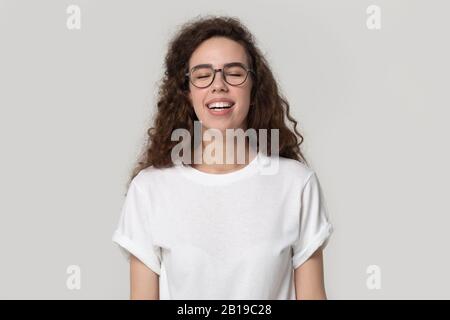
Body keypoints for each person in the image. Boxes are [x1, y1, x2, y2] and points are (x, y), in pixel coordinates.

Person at [112, 15, 333, 300]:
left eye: (234, 73)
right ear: (186, 93)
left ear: (254, 89)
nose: (219, 85)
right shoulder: (149, 189)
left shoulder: (296, 184)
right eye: (203, 75)